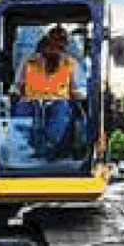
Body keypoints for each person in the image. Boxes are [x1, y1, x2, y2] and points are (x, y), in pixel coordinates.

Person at [19, 26, 79, 158]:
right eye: (53, 42)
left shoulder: (70, 64)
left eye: (60, 42)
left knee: (63, 109)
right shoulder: (29, 62)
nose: (56, 46)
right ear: (45, 43)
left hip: (58, 105)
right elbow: (20, 88)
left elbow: (75, 90)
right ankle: (23, 148)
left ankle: (52, 148)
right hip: (32, 104)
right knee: (20, 109)